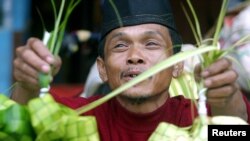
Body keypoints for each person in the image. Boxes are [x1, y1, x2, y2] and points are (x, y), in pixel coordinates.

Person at [11, 0, 250, 140]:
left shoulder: (197, 117)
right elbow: (19, 130)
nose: (134, 56)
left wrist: (226, 97)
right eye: (121, 45)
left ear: (178, 64)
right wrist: (28, 84)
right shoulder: (73, 119)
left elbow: (235, 132)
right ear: (102, 69)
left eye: (152, 44)